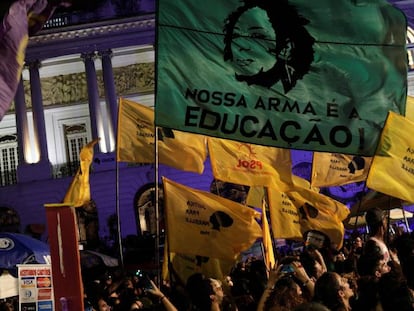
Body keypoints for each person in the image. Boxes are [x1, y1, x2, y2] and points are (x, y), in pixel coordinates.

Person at [223, 0, 314, 93]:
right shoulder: (222, 79)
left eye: (257, 36)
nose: (243, 46)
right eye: (236, 35)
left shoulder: (302, 92)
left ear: (286, 46)